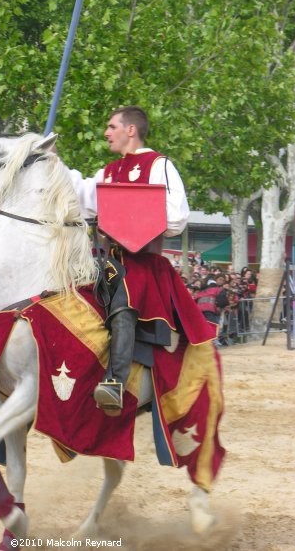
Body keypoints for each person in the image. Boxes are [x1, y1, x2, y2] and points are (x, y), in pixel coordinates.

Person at [69, 106, 211, 411]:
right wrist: (51, 163)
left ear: (130, 130)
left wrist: (136, 220)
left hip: (144, 264)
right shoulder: (109, 171)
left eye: (111, 127)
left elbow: (176, 216)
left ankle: (115, 384)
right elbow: (82, 199)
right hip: (111, 261)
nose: (106, 133)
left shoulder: (159, 165)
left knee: (122, 307)